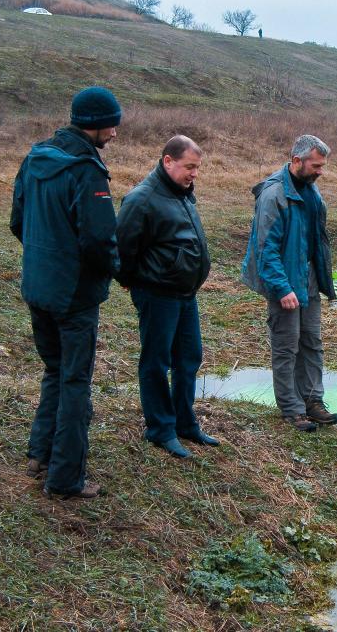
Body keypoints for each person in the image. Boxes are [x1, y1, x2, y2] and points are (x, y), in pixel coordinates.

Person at [9, 86, 122, 499]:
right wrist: (116, 271)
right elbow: (98, 240)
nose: (114, 132)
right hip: (74, 297)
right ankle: (66, 479)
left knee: (54, 370)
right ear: (93, 124)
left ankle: (39, 454)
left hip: (38, 288)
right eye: (112, 124)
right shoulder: (86, 170)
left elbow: (18, 222)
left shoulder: (35, 157)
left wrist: (46, 260)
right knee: (75, 381)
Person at [116, 135, 216, 458]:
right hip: (157, 294)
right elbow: (122, 248)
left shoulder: (183, 194)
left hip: (186, 294)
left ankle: (185, 423)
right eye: (189, 167)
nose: (194, 174)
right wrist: (130, 280)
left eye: (197, 168)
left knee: (189, 357)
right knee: (157, 361)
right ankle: (160, 429)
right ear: (167, 161)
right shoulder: (141, 199)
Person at [242, 135, 337, 432]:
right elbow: (265, 248)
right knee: (286, 346)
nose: (320, 171)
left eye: (323, 165)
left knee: (312, 342)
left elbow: (315, 240)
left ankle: (313, 401)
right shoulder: (274, 195)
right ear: (296, 161)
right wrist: (282, 288)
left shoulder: (311, 190)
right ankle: (292, 409)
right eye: (316, 165)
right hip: (284, 282)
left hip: (308, 280)